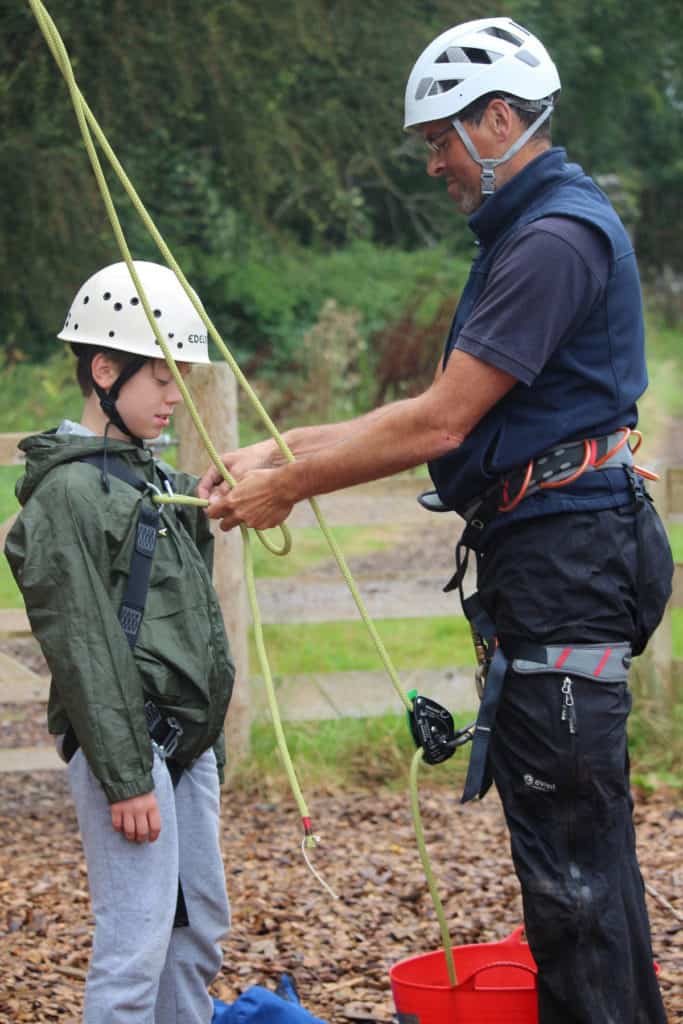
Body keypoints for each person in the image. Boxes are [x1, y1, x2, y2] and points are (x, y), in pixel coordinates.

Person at [196, 17, 674, 1024]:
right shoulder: (530, 233)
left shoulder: (551, 240)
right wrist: (280, 450)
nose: (431, 163)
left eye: (439, 138)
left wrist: (290, 487)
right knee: (578, 854)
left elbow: (438, 419)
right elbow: (432, 403)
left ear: (499, 120)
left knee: (571, 877)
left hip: (565, 563)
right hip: (553, 558)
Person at [5, 260, 235, 1024]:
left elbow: (187, 614)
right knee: (135, 947)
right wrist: (129, 773)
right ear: (104, 370)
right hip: (127, 751)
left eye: (180, 377)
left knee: (196, 934)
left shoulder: (148, 479)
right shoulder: (67, 493)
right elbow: (83, 644)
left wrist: (208, 509)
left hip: (184, 748)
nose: (176, 394)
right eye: (161, 377)